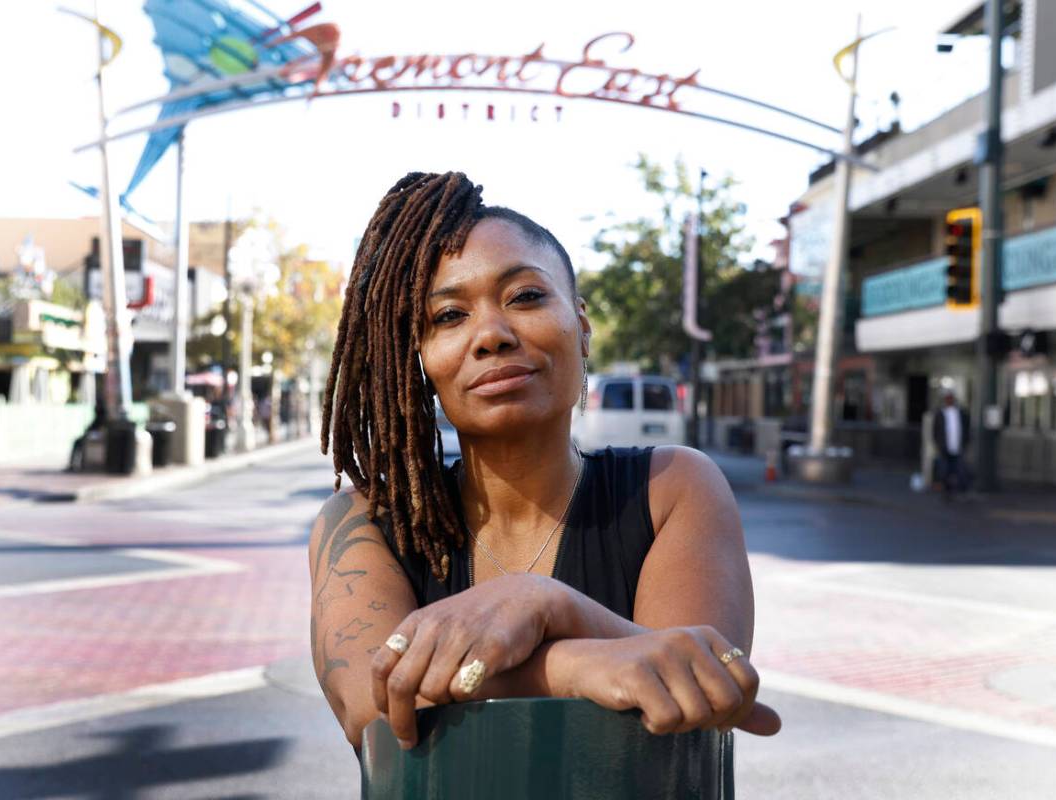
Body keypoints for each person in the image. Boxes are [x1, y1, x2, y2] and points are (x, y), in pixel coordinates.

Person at [308, 171, 781, 755]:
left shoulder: (673, 489)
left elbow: (689, 694)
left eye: (525, 296)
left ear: (581, 326)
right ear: (420, 359)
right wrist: (575, 665)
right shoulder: (362, 524)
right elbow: (376, 706)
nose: (491, 335)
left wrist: (545, 602)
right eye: (449, 316)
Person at [932, 390, 971, 498]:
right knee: (944, 470)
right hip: (945, 447)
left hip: (958, 446)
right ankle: (947, 491)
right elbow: (935, 431)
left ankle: (962, 490)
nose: (949, 400)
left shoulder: (961, 413)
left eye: (951, 398)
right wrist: (938, 444)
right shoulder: (940, 413)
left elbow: (966, 428)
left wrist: (965, 442)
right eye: (947, 398)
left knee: (960, 469)